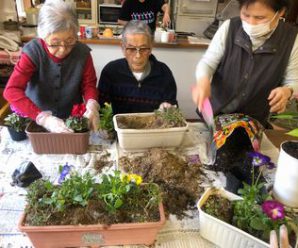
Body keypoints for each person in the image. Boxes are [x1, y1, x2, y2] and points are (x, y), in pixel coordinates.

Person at [192, 0, 298, 127]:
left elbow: (293, 81)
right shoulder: (229, 27)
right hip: (215, 112)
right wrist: (203, 81)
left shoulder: (291, 39)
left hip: (254, 120)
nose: (251, 23)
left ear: (280, 12)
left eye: (260, 17)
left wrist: (288, 91)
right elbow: (208, 62)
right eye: (246, 15)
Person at [3, 0, 99, 133]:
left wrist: (92, 104)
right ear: (42, 36)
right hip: (36, 121)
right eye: (55, 43)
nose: (62, 49)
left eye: (70, 41)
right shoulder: (33, 52)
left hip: (71, 121)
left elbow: (89, 84)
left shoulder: (82, 53)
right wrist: (43, 118)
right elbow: (12, 90)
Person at [98, 20, 177, 114]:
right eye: (131, 49)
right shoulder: (110, 72)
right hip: (117, 128)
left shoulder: (164, 73)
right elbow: (101, 110)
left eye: (143, 49)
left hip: (153, 127)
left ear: (151, 48)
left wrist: (167, 108)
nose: (138, 55)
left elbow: (172, 107)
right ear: (123, 48)